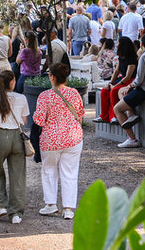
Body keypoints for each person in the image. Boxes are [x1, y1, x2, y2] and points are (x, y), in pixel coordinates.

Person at [33, 62, 84, 220]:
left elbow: (39, 121)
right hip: (73, 138)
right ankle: (68, 209)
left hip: (51, 140)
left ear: (53, 77)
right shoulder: (74, 93)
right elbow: (80, 115)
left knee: (49, 170)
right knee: (70, 172)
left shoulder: (45, 96)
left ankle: (50, 204)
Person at [0, 70, 27, 225]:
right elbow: (24, 120)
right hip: (17, 137)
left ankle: (0, 204)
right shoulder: (21, 98)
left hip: (0, 136)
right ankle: (16, 213)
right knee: (18, 175)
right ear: (12, 82)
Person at [114, 33, 145, 148]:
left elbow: (139, 79)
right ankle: (130, 113)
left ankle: (132, 138)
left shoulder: (144, 57)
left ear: (141, 44)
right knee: (122, 91)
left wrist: (130, 86)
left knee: (117, 108)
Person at [96, 37, 137, 123]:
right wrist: (110, 83)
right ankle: (104, 116)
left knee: (114, 91)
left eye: (118, 43)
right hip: (122, 79)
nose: (116, 45)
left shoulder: (132, 58)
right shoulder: (120, 58)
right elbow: (116, 71)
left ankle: (114, 116)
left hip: (130, 80)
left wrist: (115, 85)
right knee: (104, 91)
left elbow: (128, 76)